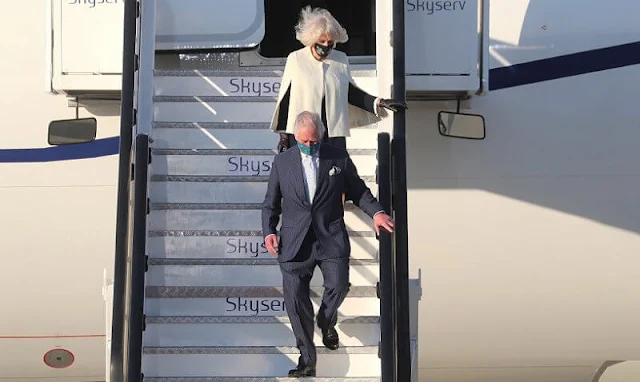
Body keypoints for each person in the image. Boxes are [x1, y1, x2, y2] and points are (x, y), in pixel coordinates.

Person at [261, 111, 395, 377]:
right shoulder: (282, 163)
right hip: (295, 242)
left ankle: (326, 320)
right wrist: (268, 232)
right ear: (296, 138)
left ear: (320, 135)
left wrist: (378, 213)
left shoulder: (337, 157)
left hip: (330, 236)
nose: (309, 147)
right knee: (296, 304)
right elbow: (270, 204)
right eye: (304, 142)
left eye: (314, 142)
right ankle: (307, 360)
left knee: (339, 284)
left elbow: (358, 190)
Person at [269, 6, 407, 152]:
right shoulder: (296, 59)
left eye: (330, 42)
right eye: (322, 41)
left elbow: (350, 93)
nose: (326, 46)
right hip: (304, 134)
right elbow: (286, 98)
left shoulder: (340, 59)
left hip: (332, 133)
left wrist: (378, 102)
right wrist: (284, 136)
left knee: (335, 172)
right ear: (312, 38)